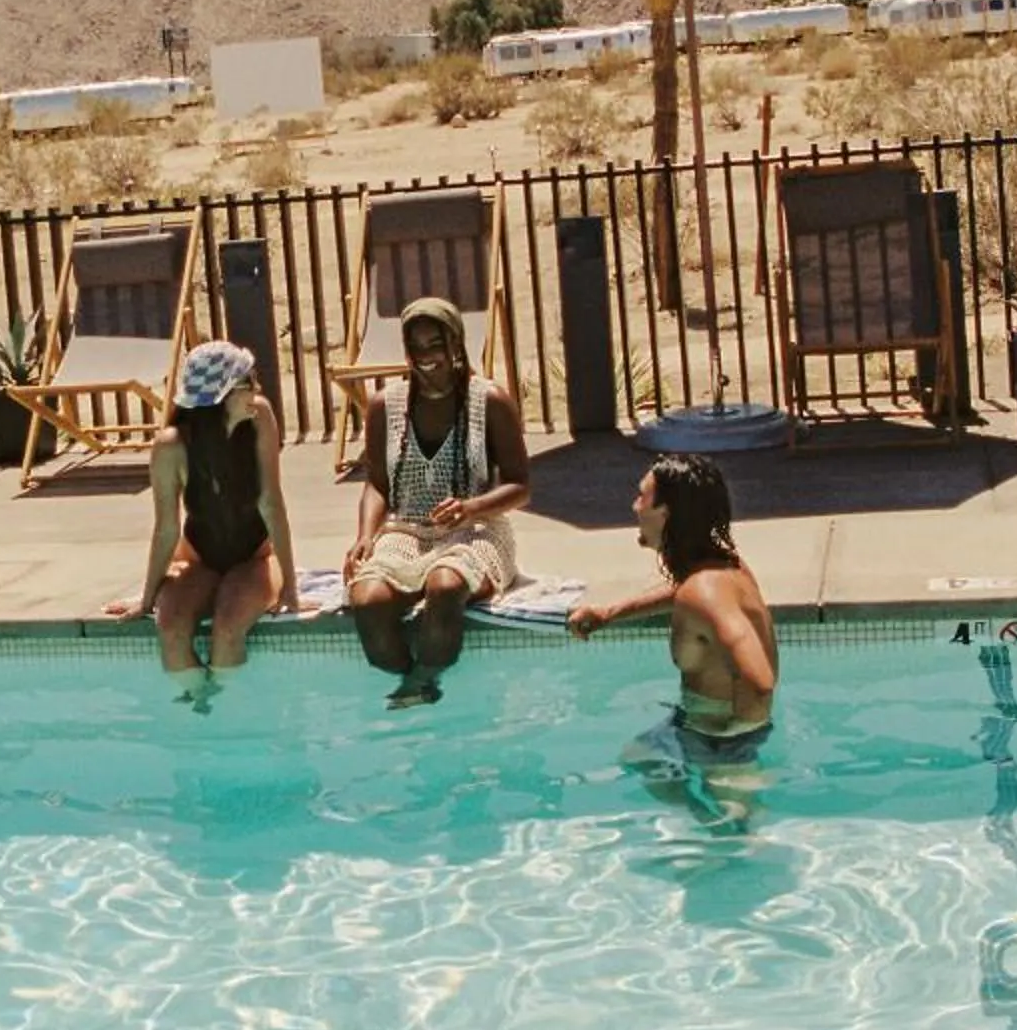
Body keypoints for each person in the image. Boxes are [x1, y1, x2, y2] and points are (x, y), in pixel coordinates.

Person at [342, 296, 531, 709]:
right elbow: (376, 484)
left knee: (444, 585)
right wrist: (364, 537)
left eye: (436, 344)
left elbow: (520, 486)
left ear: (456, 344)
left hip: (477, 529)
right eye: (417, 347)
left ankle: (420, 684)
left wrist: (472, 508)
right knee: (368, 601)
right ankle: (413, 683)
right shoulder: (383, 405)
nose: (427, 356)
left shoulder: (489, 401)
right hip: (405, 530)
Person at [106, 341, 302, 706]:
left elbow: (271, 503)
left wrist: (291, 586)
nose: (257, 390)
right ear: (222, 395)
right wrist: (147, 599)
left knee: (228, 630)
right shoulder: (171, 447)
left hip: (254, 557)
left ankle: (227, 705)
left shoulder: (259, 418)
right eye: (249, 382)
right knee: (171, 629)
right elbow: (166, 528)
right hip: (199, 560)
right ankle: (202, 700)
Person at [566, 455, 780, 773]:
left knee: (727, 822)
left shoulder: (704, 592)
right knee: (639, 760)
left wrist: (730, 748)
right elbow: (684, 592)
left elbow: (760, 681)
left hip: (721, 740)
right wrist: (609, 613)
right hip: (699, 727)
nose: (634, 506)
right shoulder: (721, 568)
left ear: (664, 513)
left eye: (642, 496)